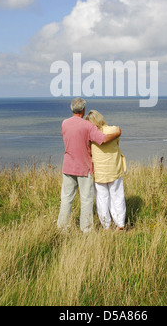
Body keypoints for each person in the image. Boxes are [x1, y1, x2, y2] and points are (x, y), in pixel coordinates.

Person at [57, 98, 121, 234]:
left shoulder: (64, 123)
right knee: (86, 200)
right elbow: (102, 139)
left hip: (68, 167)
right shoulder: (88, 126)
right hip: (83, 168)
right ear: (84, 110)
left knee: (66, 199)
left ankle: (62, 228)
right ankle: (86, 229)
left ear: (72, 109)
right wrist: (117, 133)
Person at [85, 110, 126, 231]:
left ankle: (106, 225)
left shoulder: (90, 134)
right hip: (114, 168)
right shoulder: (113, 130)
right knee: (117, 196)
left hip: (99, 171)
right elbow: (117, 142)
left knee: (102, 199)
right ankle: (120, 224)